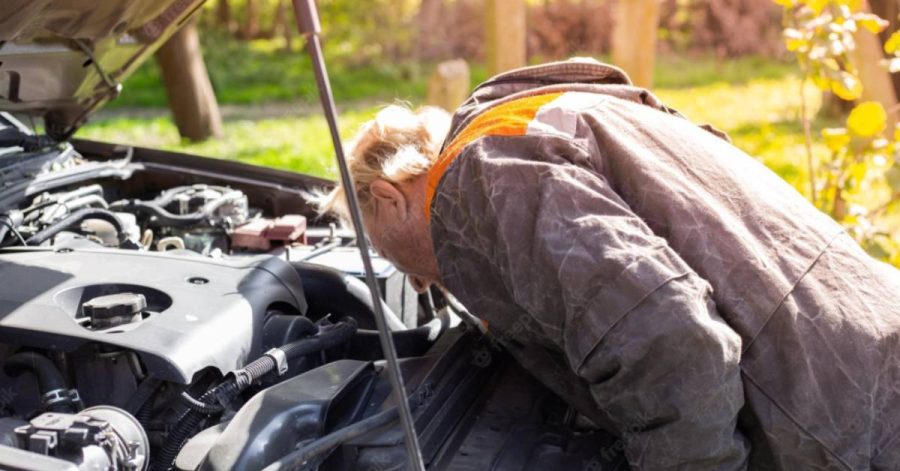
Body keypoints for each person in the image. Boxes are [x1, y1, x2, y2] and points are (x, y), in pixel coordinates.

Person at [318, 59, 900, 470]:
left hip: (843, 429)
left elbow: (673, 345)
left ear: (391, 200)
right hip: (863, 343)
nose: (418, 281)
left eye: (388, 251)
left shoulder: (484, 184)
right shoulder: (539, 118)